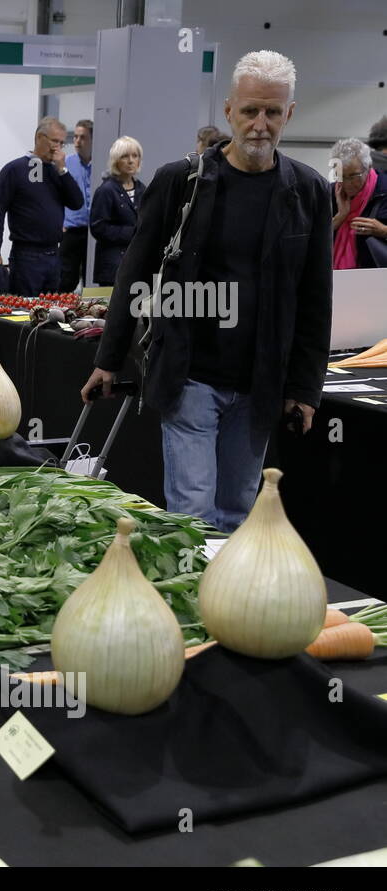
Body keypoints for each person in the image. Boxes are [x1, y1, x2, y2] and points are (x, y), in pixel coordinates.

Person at [80, 50, 332, 533]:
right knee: (192, 516)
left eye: (273, 112)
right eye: (250, 111)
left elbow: (316, 297)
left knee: (238, 512)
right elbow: (134, 271)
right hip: (190, 375)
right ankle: (193, 603)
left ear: (290, 114)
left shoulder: (309, 191)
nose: (260, 124)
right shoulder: (181, 181)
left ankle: (222, 607)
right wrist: (108, 358)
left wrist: (305, 388)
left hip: (260, 383)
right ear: (228, 110)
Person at [0, 117, 84, 295]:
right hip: (26, 256)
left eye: (62, 143)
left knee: (50, 313)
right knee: (24, 313)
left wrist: (62, 170)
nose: (58, 148)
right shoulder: (15, 170)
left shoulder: (57, 172)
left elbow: (76, 203)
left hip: (54, 254)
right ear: (39, 137)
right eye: (54, 141)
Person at [88, 136, 146, 286]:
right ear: (115, 160)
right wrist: (132, 233)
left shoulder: (142, 189)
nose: (131, 161)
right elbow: (98, 228)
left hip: (136, 263)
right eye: (125, 156)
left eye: (135, 156)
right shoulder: (106, 190)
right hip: (112, 266)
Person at [330, 137, 387, 270]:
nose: (347, 183)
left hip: (378, 279)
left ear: (368, 167)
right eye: (340, 176)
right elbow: (312, 240)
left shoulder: (383, 191)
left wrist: (383, 231)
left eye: (353, 176)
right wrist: (339, 218)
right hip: (334, 280)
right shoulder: (329, 194)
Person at [60, 119, 94, 291]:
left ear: (92, 140)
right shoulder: (66, 163)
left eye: (83, 137)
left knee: (90, 279)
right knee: (67, 278)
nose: (78, 141)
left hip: (92, 231)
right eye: (75, 137)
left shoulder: (100, 164)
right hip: (71, 230)